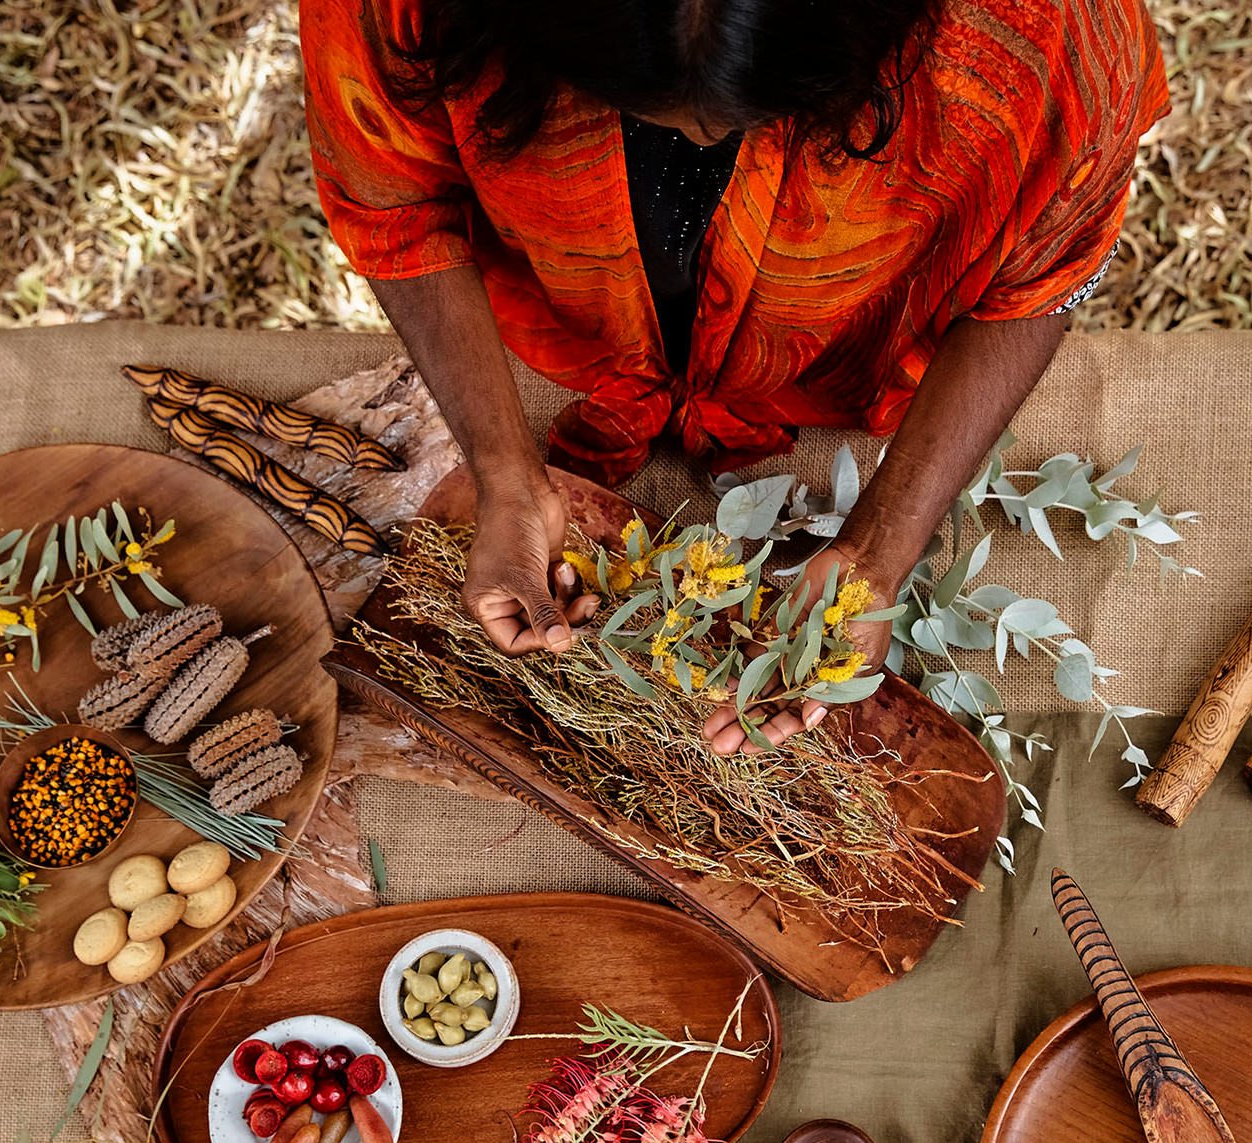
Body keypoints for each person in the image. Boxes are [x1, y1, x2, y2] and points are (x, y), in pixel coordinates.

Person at [301, 0, 1166, 748]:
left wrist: (875, 555)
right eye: (638, 103)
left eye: (735, 115)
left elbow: (1046, 268)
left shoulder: (1042, 30)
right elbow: (392, 200)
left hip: (835, 357)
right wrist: (504, 473)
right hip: (567, 331)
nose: (696, 140)